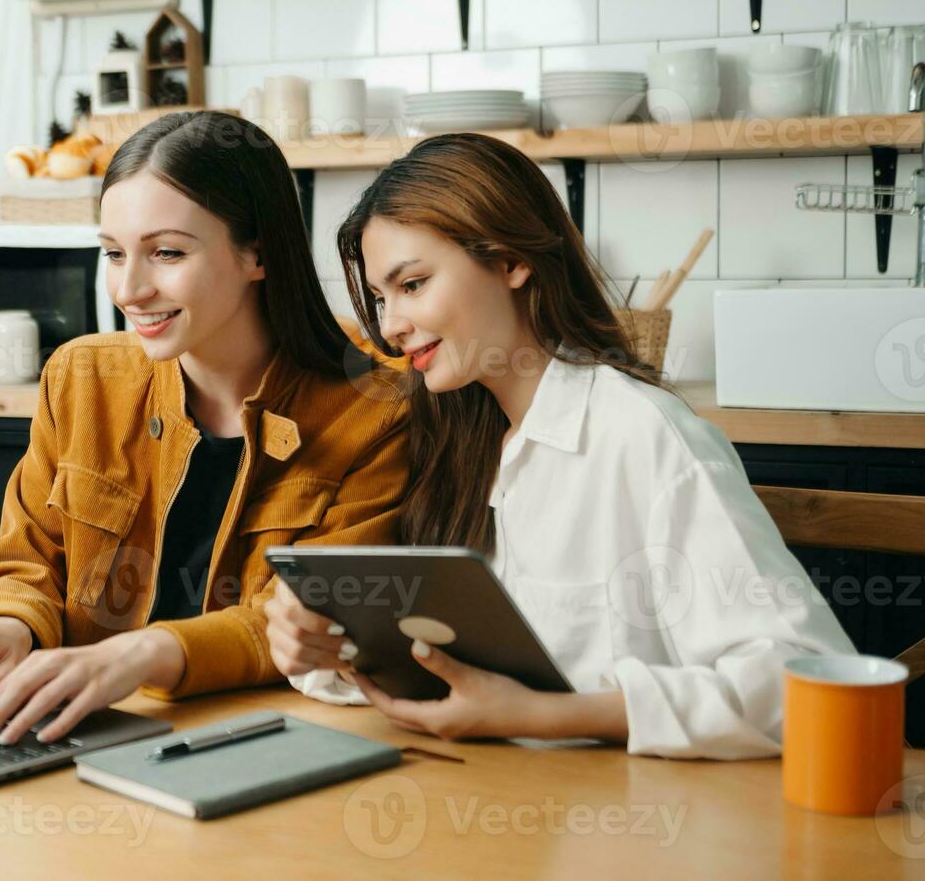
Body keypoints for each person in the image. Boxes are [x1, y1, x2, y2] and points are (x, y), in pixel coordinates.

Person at [265, 132, 853, 760]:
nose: (390, 326)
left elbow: (802, 683)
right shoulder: (452, 440)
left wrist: (546, 716)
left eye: (413, 284)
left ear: (512, 260)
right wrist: (327, 645)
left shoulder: (644, 435)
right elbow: (457, 670)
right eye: (381, 299)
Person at [0, 111, 408, 746]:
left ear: (258, 252)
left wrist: (141, 654)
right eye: (113, 254)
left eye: (166, 252)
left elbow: (304, 625)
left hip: (261, 746)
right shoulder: (82, 378)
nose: (129, 289)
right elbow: (27, 557)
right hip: (73, 738)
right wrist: (9, 623)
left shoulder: (376, 413)